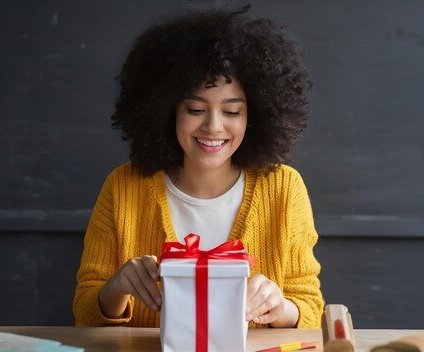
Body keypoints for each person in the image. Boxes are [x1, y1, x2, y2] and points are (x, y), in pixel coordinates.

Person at [73, 5, 324, 329]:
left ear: (255, 117)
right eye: (195, 109)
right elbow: (83, 312)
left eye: (232, 112)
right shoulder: (123, 188)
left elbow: (312, 310)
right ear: (168, 109)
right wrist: (118, 288)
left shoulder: (284, 190)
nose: (213, 126)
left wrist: (281, 308)